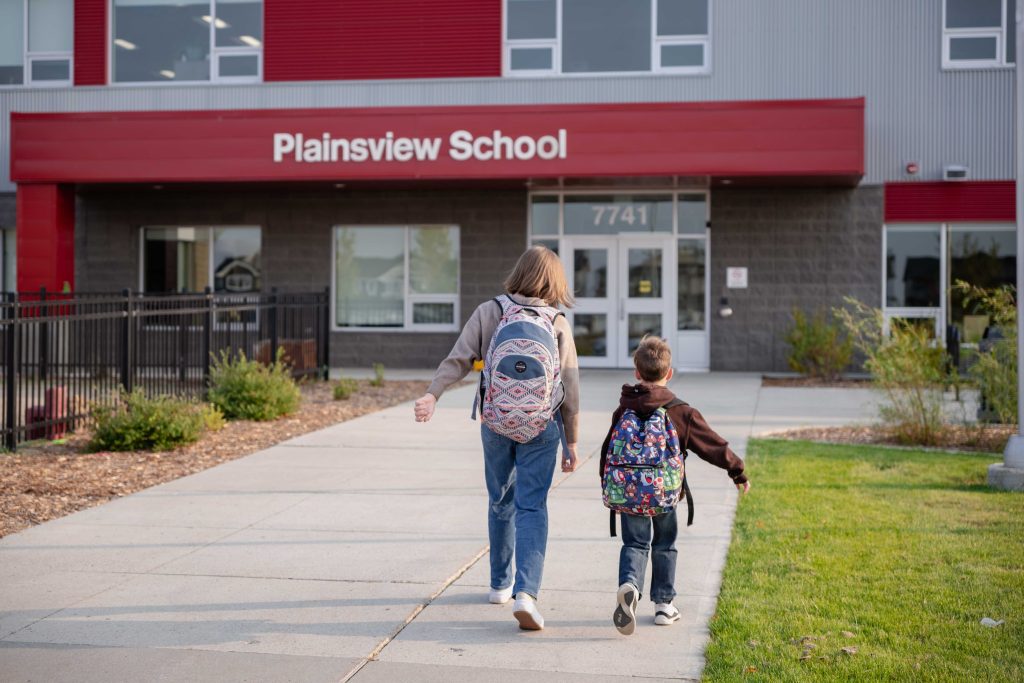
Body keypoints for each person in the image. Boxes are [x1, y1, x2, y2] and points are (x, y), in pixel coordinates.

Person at [414, 246, 579, 631]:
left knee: (500, 498)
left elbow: (458, 358)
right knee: (532, 506)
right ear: (555, 281)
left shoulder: (490, 311)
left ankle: (499, 584)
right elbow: (570, 386)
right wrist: (571, 441)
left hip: (495, 421)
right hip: (541, 426)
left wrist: (432, 394)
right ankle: (526, 593)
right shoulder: (556, 321)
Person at [599, 335, 750, 635]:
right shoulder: (681, 411)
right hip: (665, 494)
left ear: (636, 371)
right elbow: (712, 445)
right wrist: (737, 471)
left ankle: (630, 585)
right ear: (669, 373)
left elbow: (608, 450)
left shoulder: (624, 408)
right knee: (664, 544)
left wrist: (608, 484)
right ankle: (664, 606)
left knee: (635, 543)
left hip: (630, 492)